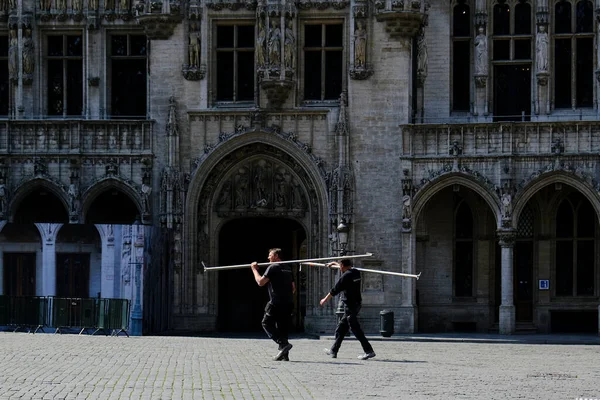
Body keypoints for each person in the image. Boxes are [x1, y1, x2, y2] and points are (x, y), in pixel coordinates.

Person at [320, 258, 376, 360]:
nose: (340, 267)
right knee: (341, 328)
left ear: (342, 266)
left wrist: (324, 299)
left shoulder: (345, 276)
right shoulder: (356, 272)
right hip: (357, 304)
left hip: (350, 306)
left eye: (340, 266)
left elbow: (334, 290)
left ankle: (369, 351)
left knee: (355, 329)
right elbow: (346, 268)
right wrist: (335, 264)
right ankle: (334, 351)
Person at [251, 248, 295, 361]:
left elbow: (260, 282)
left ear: (276, 256)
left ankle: (283, 344)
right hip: (288, 303)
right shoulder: (288, 268)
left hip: (276, 302)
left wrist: (254, 269)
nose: (268, 257)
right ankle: (284, 354)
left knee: (266, 323)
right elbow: (293, 288)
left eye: (270, 255)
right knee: (283, 327)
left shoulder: (273, 267)